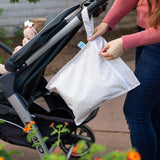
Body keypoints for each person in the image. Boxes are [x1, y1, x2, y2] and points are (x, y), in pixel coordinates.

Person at [88, 0, 160, 160]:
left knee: (136, 111)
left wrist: (124, 42)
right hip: (147, 33)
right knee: (153, 110)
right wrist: (107, 22)